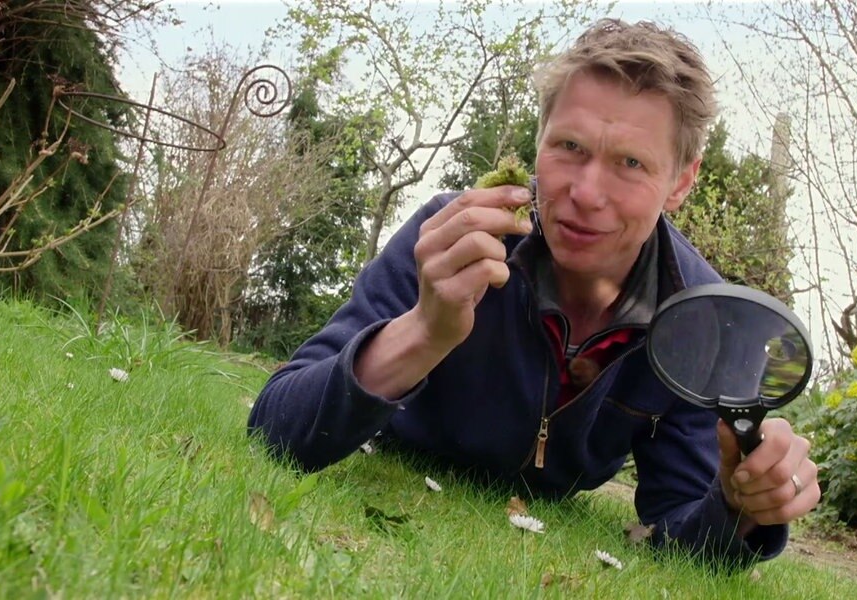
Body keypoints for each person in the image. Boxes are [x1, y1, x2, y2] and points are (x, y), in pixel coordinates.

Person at [248, 18, 820, 566]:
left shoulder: (699, 317)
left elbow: (678, 524)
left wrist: (740, 506)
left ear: (681, 182)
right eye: (569, 147)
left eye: (630, 163)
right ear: (539, 140)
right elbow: (274, 431)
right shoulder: (450, 237)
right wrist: (426, 330)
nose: (586, 192)